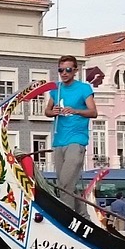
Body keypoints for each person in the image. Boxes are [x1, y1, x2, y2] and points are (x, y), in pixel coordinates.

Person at [44, 55, 95, 206]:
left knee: (64, 184)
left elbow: (93, 112)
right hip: (59, 141)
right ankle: (83, 215)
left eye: (68, 70)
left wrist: (75, 110)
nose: (64, 73)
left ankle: (66, 214)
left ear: (75, 71)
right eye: (61, 70)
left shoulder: (84, 88)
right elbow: (47, 111)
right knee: (66, 184)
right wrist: (52, 112)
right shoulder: (56, 89)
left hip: (76, 140)